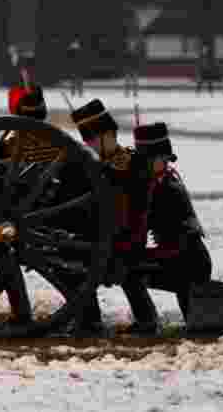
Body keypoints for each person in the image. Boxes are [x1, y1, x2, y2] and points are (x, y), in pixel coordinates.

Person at [69, 99, 157, 334]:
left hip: (127, 237)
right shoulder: (94, 164)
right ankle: (90, 318)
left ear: (109, 135)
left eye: (93, 140)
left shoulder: (133, 162)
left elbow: (134, 207)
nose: (91, 145)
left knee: (127, 275)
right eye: (87, 141)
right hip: (102, 235)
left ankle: (144, 321)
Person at [132, 122, 212, 325]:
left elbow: (180, 243)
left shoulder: (167, 190)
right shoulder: (163, 180)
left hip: (188, 263)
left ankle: (147, 322)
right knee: (193, 318)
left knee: (130, 272)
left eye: (149, 160)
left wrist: (142, 254)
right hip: (184, 260)